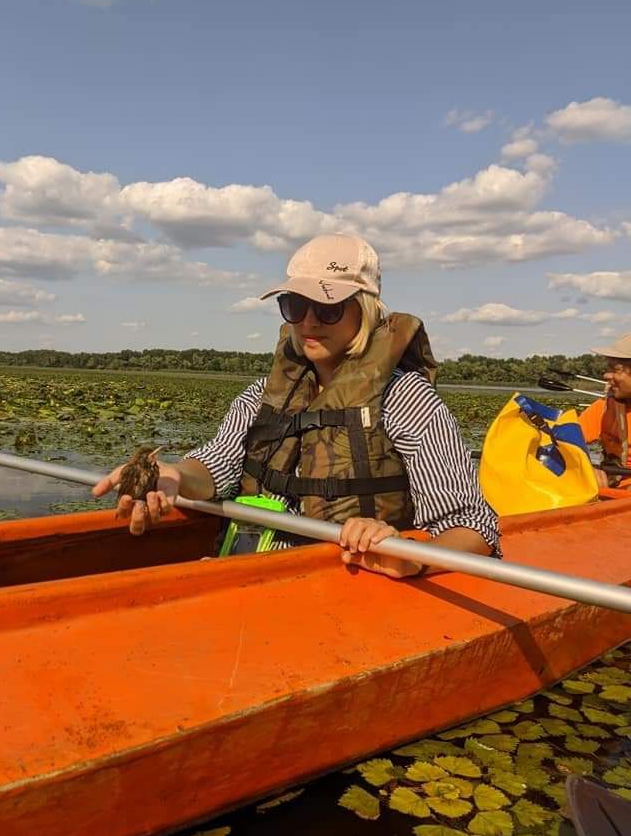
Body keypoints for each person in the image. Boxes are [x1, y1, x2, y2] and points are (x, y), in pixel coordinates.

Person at [94, 233, 499, 578]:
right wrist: (174, 475)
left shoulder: (407, 399)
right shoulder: (261, 396)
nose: (308, 321)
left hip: (352, 588)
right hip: (260, 577)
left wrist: (410, 558)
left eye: (328, 307)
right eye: (295, 306)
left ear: (367, 309)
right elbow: (216, 466)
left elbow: (474, 528)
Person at [578, 332, 631, 490]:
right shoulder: (604, 407)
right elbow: (562, 443)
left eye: (616, 370)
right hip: (614, 494)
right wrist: (586, 469)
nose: (606, 375)